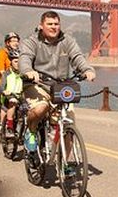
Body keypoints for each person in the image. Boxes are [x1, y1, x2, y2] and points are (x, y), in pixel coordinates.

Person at [19, 11, 96, 153]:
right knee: (40, 108)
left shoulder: (67, 40)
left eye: (56, 24)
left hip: (61, 87)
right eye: (49, 24)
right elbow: (25, 58)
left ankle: (65, 167)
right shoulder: (32, 41)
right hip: (38, 84)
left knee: (69, 125)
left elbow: (77, 57)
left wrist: (87, 70)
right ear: (41, 26)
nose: (53, 27)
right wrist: (28, 71)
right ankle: (31, 131)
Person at [0, 50, 23, 137]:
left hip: (20, 96)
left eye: (20, 61)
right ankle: (9, 128)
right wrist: (5, 91)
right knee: (12, 104)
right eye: (16, 61)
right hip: (9, 97)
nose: (18, 64)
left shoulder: (23, 73)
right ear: (11, 62)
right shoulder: (7, 74)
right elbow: (1, 87)